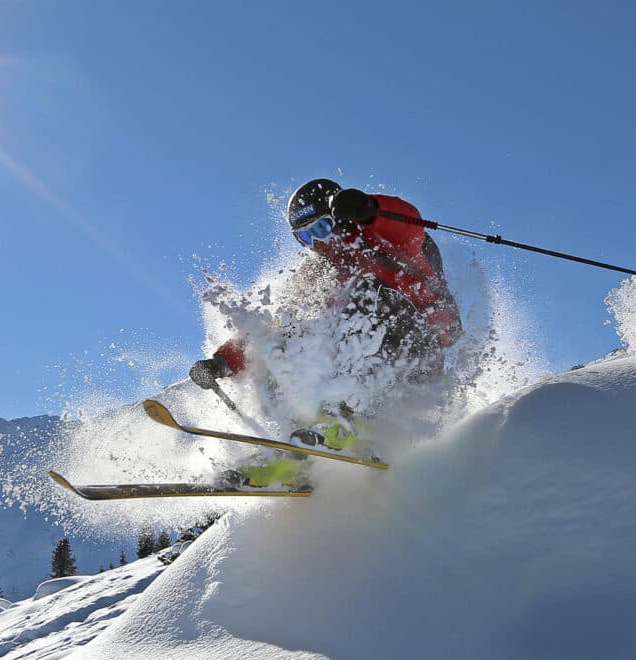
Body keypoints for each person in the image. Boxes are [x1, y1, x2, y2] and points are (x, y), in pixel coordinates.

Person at [188, 179, 462, 487]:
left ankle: (342, 417)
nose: (317, 243)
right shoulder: (317, 276)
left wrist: (369, 208)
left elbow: (409, 223)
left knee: (366, 292)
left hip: (416, 344)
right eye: (306, 237)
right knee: (289, 340)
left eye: (321, 228)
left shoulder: (381, 238)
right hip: (363, 377)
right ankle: (291, 459)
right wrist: (224, 361)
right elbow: (274, 327)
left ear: (341, 218)